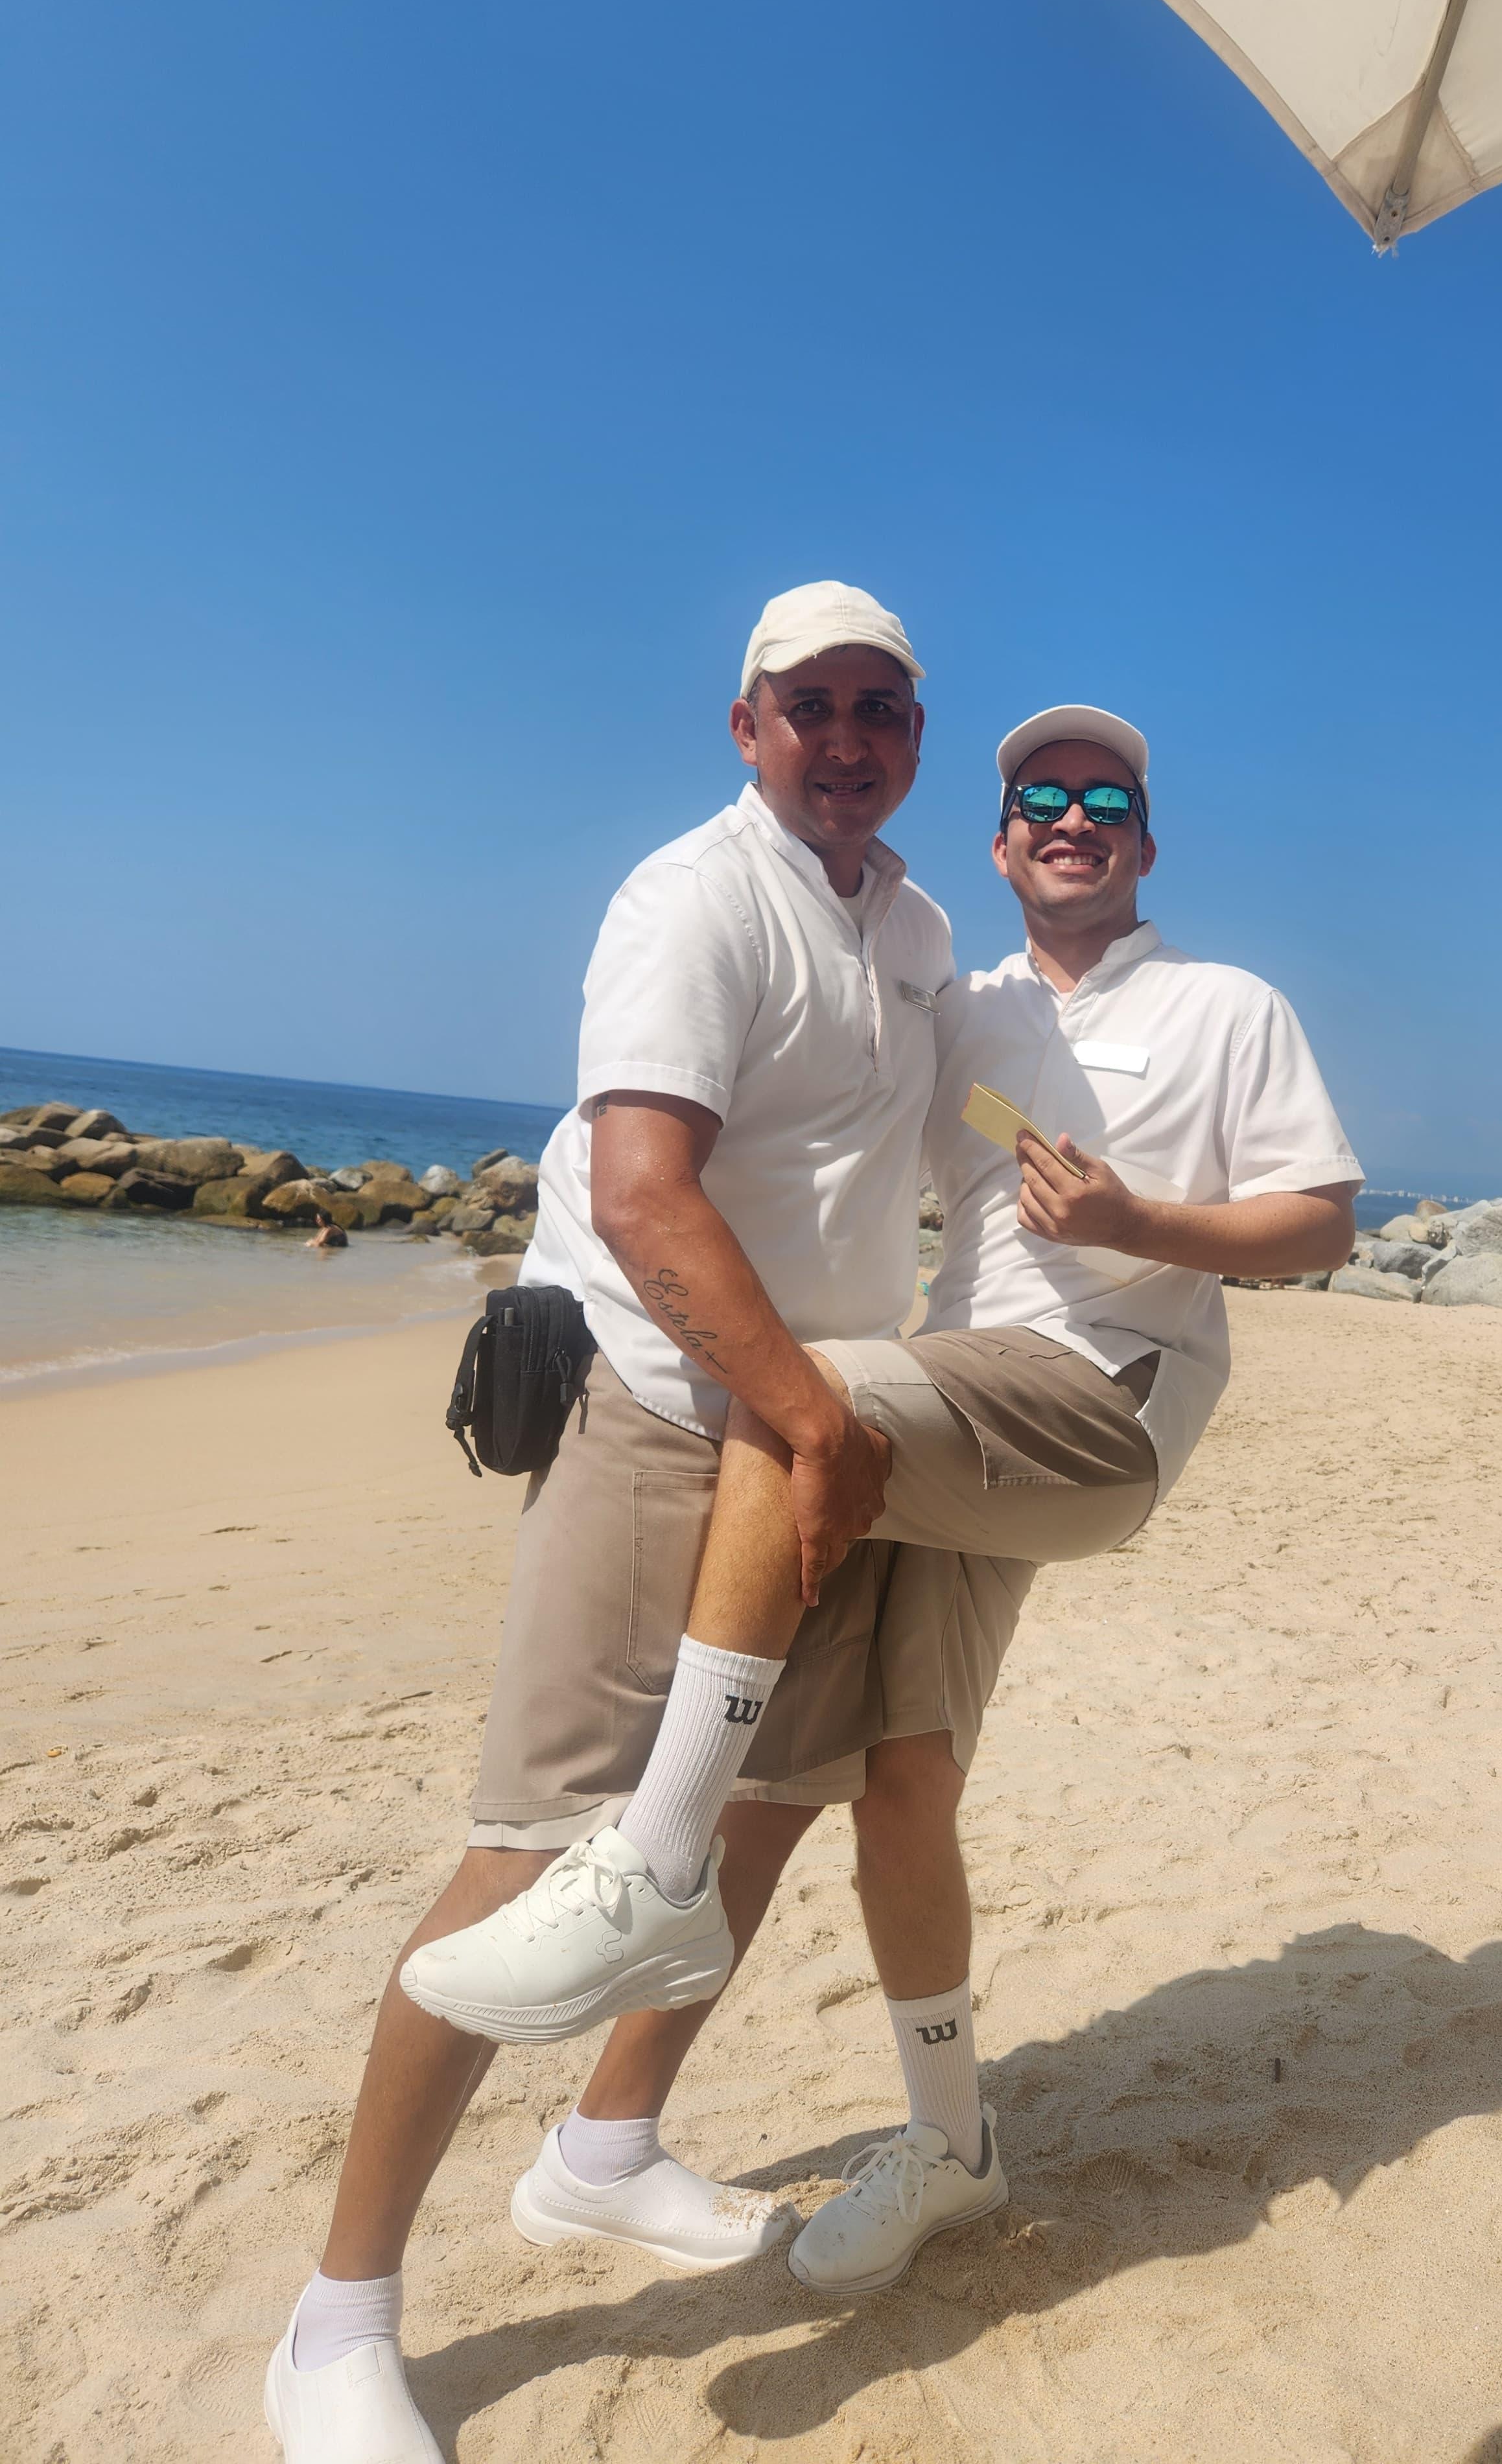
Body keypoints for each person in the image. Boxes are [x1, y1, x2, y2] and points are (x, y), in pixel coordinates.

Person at [403, 704, 1363, 2298]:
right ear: (998, 844)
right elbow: (794, 1134)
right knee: (869, 1776)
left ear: (1143, 837)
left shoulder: (1227, 1004)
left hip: (1093, 1400)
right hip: (959, 1398)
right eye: (1038, 798)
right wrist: (579, 1269)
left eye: (1103, 799)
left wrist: (1144, 1221)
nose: (1070, 816)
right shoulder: (955, 1002)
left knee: (813, 1399)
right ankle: (881, 2141)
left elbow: (1321, 1222)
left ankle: (645, 1858)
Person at [264, 582, 950, 2464]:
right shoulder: (688, 898)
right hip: (668, 1411)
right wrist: (809, 1417)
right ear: (746, 726)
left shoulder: (914, 925)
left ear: (913, 736)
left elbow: (920, 1149)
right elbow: (647, 1197)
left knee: (769, 1809)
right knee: (529, 1857)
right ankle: (337, 2324)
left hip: (819, 1428)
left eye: (883, 706)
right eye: (810, 703)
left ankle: (607, 2147)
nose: (848, 734)